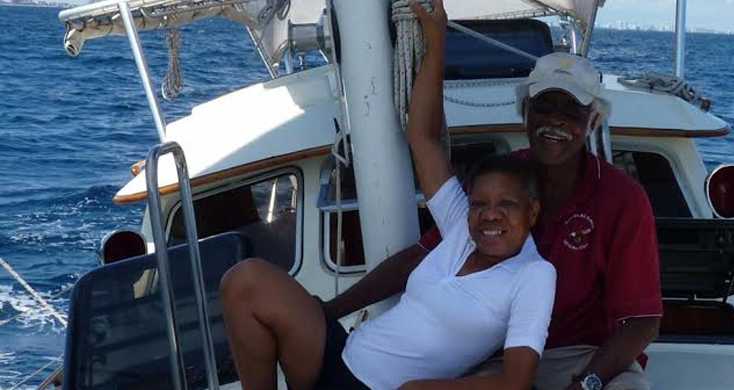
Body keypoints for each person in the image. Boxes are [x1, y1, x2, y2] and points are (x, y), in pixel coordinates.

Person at [218, 1, 556, 389]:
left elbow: (515, 382)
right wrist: (435, 39)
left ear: (532, 212)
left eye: (507, 205)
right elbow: (422, 139)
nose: (490, 215)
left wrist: (419, 389)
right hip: (340, 353)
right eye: (480, 203)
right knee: (244, 281)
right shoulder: (462, 230)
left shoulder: (533, 275)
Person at [323, 13, 662, 390]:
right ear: (524, 114)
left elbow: (643, 319)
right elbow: (421, 252)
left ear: (593, 121)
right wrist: (329, 312)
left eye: (571, 112)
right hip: (498, 354)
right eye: (543, 107)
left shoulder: (623, 199)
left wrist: (587, 383)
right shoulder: (499, 181)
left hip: (584, 353)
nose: (555, 121)